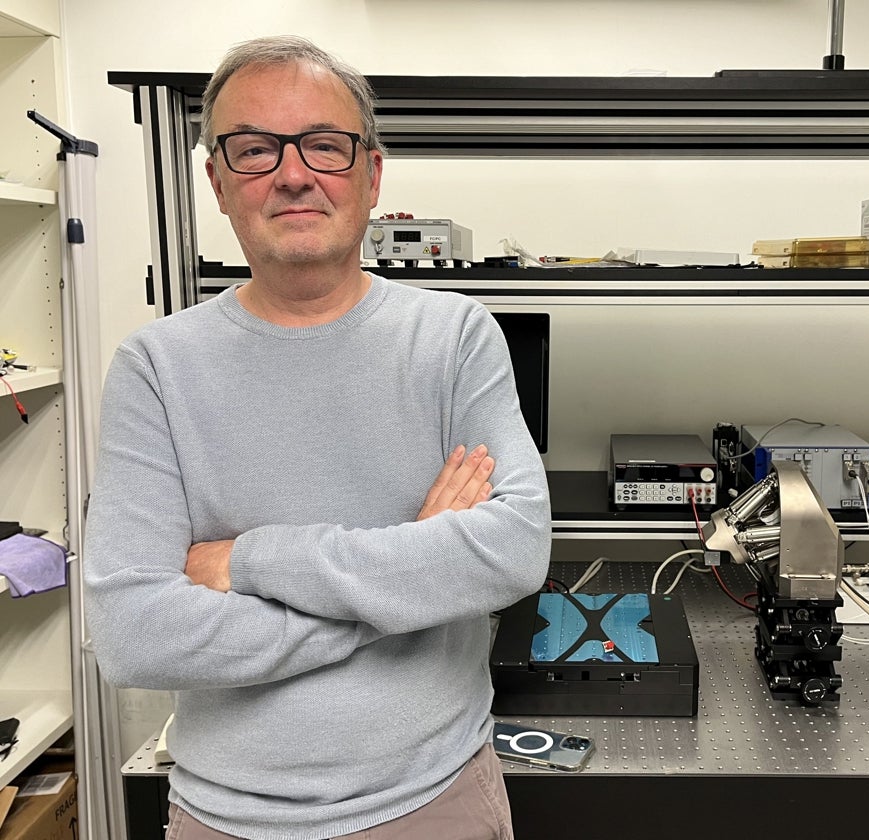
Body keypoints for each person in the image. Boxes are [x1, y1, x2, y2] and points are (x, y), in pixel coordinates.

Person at [84, 35, 551, 840]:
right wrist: (411, 570)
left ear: (370, 176)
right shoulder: (155, 368)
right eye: (255, 149)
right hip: (224, 817)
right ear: (218, 182)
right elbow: (134, 635)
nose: (293, 174)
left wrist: (252, 561)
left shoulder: (453, 338)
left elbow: (511, 550)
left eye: (324, 147)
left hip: (436, 800)